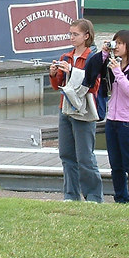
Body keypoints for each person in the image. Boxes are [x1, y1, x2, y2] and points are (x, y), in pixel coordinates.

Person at [48, 18, 105, 202]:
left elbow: (94, 86)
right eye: (70, 33)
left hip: (83, 110)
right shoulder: (65, 56)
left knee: (85, 156)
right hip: (65, 108)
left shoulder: (93, 57)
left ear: (86, 36)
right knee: (66, 154)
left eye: (76, 34)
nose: (71, 37)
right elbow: (58, 86)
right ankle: (71, 196)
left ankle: (94, 197)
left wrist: (72, 70)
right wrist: (53, 74)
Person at [100, 30, 129, 203]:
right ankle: (120, 198)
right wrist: (105, 54)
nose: (117, 46)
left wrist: (118, 73)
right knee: (115, 165)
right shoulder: (114, 64)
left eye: (120, 43)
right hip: (112, 119)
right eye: (115, 43)